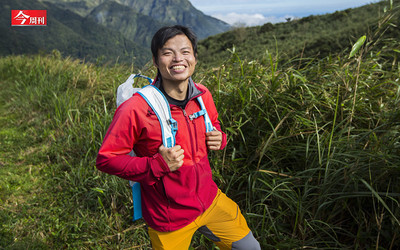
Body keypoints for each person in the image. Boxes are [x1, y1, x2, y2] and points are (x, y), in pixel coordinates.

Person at [96, 25, 261, 250]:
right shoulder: (135, 109)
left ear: (194, 57)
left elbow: (215, 126)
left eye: (185, 52)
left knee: (250, 248)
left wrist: (220, 138)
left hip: (210, 200)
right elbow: (106, 159)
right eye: (167, 53)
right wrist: (156, 165)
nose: (177, 59)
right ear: (155, 61)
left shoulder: (203, 96)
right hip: (168, 218)